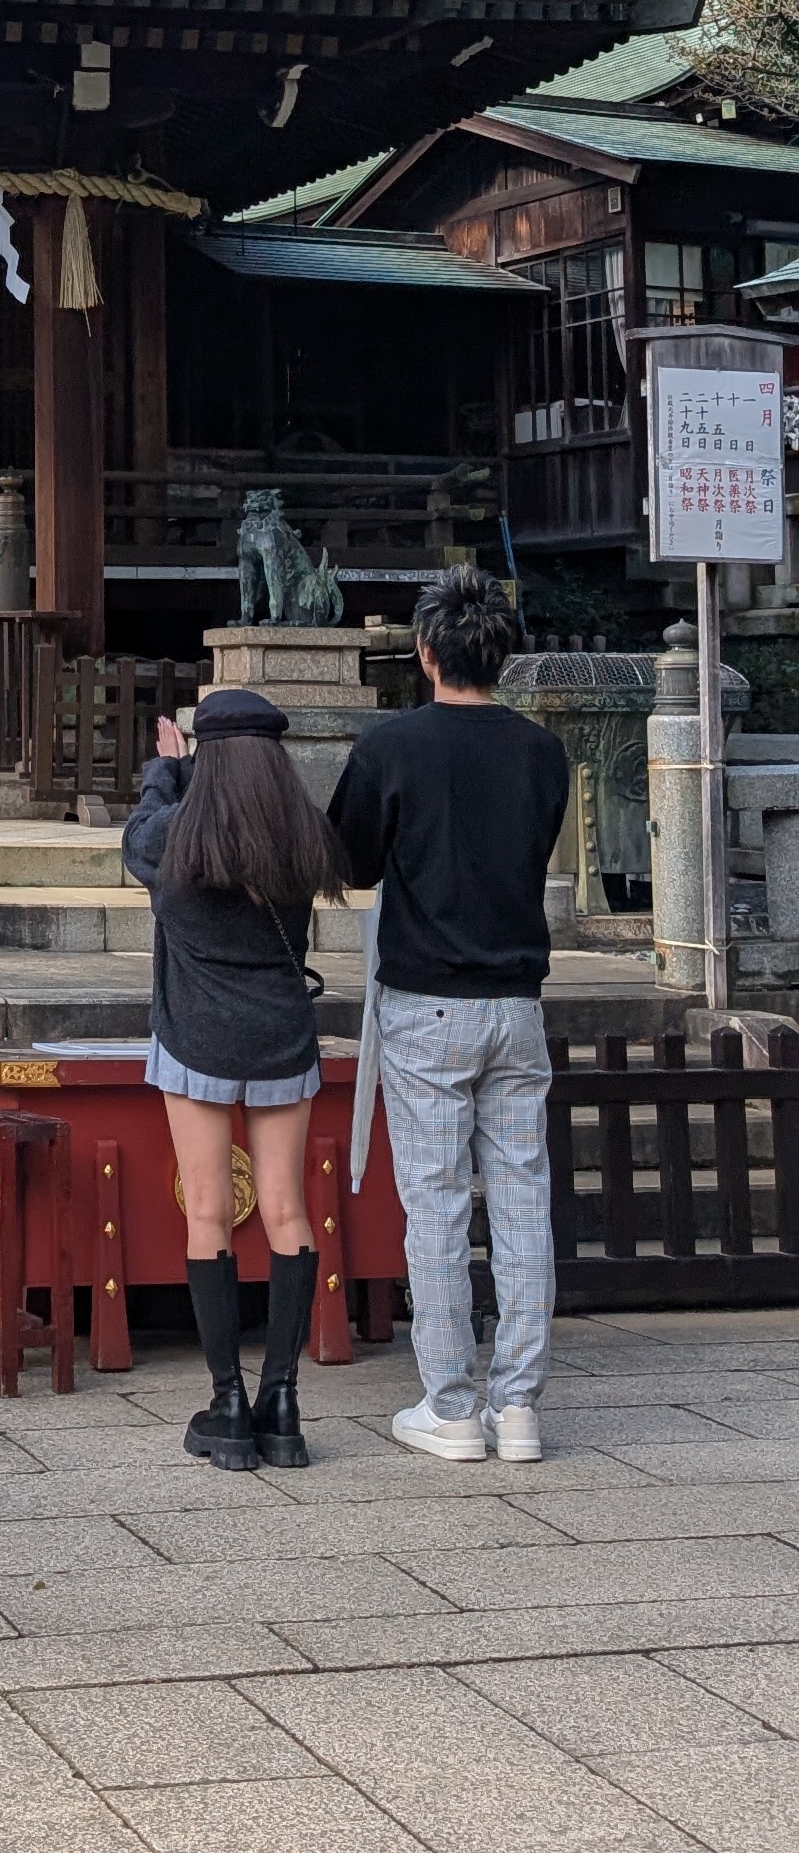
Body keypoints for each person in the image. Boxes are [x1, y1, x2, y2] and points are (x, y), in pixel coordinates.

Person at [328, 567, 569, 1466]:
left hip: (428, 999)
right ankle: (520, 1409)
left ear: (425, 652)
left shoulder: (391, 749)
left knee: (432, 1205)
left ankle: (451, 1404)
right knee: (521, 1202)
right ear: (499, 654)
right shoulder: (543, 753)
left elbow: (350, 862)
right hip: (517, 1001)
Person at [122, 692, 352, 1471]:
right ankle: (281, 1401)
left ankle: (227, 1400)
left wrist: (168, 770)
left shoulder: (174, 839)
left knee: (210, 1213)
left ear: (208, 755)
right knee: (289, 1211)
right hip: (282, 1035)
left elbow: (138, 835)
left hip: (197, 1036)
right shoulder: (304, 835)